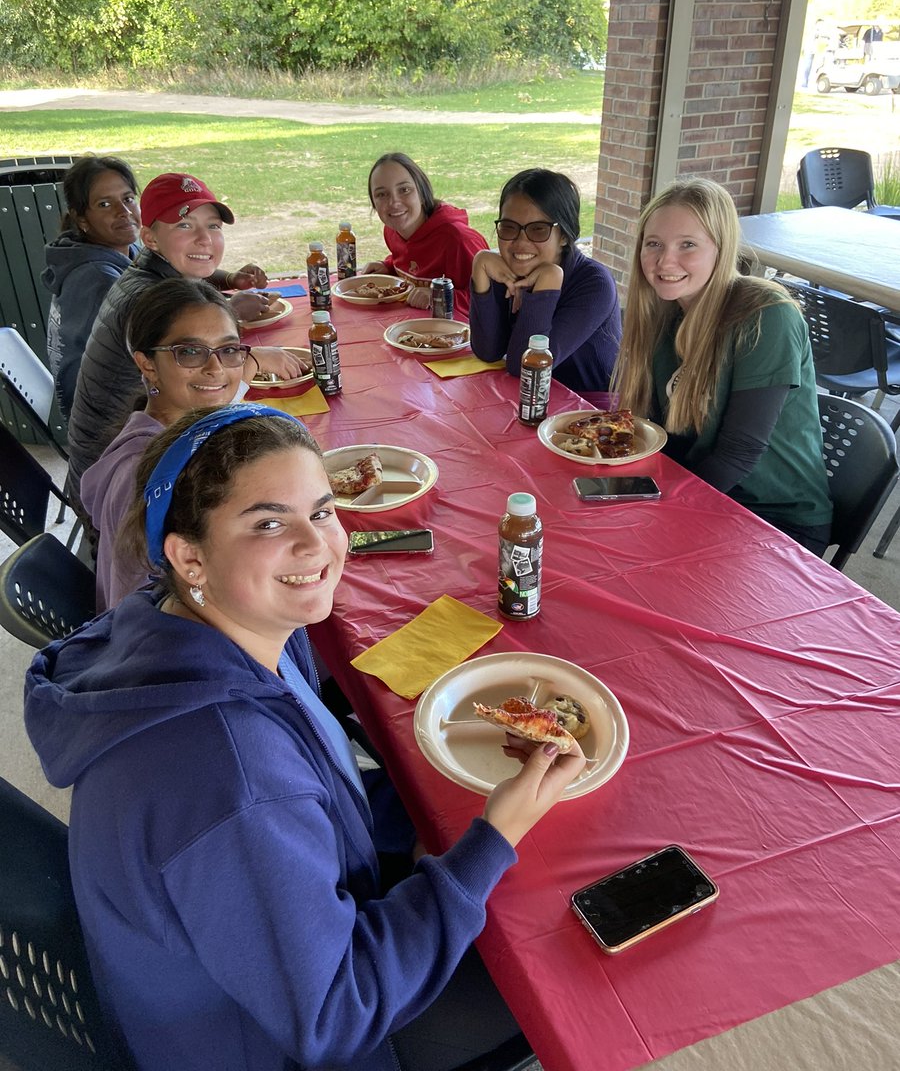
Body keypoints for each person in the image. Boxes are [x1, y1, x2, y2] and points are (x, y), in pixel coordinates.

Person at [25, 403, 585, 1071]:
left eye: (321, 511)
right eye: (268, 522)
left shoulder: (184, 625)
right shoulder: (230, 778)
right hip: (275, 1043)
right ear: (189, 557)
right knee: (568, 962)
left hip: (262, 963)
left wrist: (435, 805)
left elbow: (313, 801)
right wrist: (491, 842)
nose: (319, 545)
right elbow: (336, 1015)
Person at [612, 177, 833, 553]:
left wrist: (659, 510)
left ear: (721, 248)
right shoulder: (666, 311)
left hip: (775, 517)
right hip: (697, 488)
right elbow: (652, 429)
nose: (666, 261)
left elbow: (739, 452)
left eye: (688, 245)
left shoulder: (765, 315)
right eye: (654, 244)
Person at [64, 172, 301, 513]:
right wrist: (254, 360)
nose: (205, 239)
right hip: (128, 489)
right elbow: (199, 381)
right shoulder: (145, 300)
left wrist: (229, 278)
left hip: (123, 457)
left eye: (214, 226)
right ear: (150, 238)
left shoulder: (150, 273)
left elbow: (189, 273)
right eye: (185, 226)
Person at [80, 277, 261, 610]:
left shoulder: (179, 431)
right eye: (189, 352)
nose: (215, 368)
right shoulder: (150, 475)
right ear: (147, 364)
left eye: (229, 350)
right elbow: (161, 601)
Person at [469, 168, 621, 401]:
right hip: (526, 401)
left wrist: (547, 284)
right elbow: (488, 351)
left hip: (589, 413)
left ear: (564, 236)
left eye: (538, 230)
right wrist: (479, 269)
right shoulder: (507, 270)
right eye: (509, 227)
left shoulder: (595, 284)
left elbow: (525, 368)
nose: (520, 243)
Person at [42, 156, 142, 418]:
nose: (124, 211)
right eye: (104, 204)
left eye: (129, 198)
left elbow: (169, 273)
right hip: (105, 424)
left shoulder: (126, 250)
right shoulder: (98, 278)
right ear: (82, 219)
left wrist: (227, 280)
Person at [362, 153, 488, 313]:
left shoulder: (458, 239)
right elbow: (411, 262)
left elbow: (491, 300)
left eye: (404, 190)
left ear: (422, 193)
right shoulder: (392, 230)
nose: (393, 202)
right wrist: (387, 267)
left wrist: (439, 296)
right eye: (381, 194)